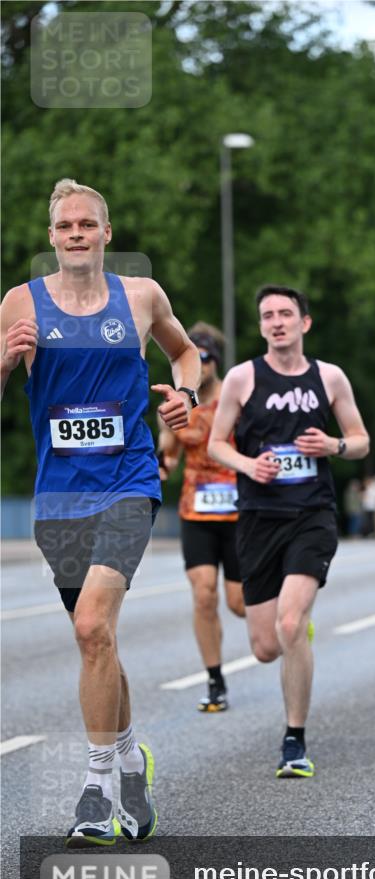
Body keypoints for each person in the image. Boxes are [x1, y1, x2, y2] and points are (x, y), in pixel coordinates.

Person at [0, 179, 200, 845]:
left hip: (128, 484)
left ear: (106, 233)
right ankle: (131, 759)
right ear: (51, 236)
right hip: (59, 497)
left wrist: (186, 397)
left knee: (91, 626)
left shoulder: (140, 296)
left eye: (87, 223)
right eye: (66, 226)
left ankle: (96, 789)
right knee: (98, 641)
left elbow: (186, 353)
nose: (77, 234)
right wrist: (5, 359)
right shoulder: (20, 302)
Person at [207, 284, 369, 777]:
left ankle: (294, 741)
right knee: (265, 648)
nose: (276, 322)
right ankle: (291, 629)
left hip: (311, 514)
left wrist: (334, 446)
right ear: (261, 327)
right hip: (258, 517)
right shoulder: (242, 378)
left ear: (304, 322)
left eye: (285, 313)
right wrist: (249, 465)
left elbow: (361, 440)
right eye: (268, 316)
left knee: (291, 624)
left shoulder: (329, 377)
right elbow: (216, 444)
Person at [157, 322, 245, 712]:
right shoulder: (177, 405)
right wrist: (160, 466)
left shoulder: (237, 397)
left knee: (239, 603)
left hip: (239, 512)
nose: (201, 364)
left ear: (215, 361)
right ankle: (214, 681)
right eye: (196, 356)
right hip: (196, 510)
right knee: (204, 593)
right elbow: (169, 456)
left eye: (206, 357)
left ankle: (286, 619)